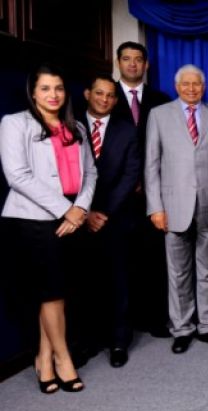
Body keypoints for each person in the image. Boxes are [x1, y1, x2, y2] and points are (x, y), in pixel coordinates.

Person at [0, 63, 97, 393]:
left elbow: (91, 174)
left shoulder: (77, 127)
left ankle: (43, 357)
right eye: (45, 88)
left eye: (58, 88)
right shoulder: (15, 123)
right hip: (31, 220)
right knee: (50, 293)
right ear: (32, 92)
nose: (53, 95)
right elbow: (17, 175)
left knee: (57, 294)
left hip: (72, 217)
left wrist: (80, 209)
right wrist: (66, 210)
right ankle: (63, 359)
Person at [144, 64, 208, 354]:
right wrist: (155, 207)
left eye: (197, 85)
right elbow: (151, 165)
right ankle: (181, 328)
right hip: (172, 206)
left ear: (203, 87)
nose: (192, 89)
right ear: (176, 86)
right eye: (186, 84)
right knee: (178, 272)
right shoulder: (159, 115)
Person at [111, 41, 172, 339]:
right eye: (127, 59)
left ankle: (155, 318)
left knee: (154, 259)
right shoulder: (105, 96)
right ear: (118, 62)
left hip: (153, 193)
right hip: (115, 196)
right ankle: (123, 322)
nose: (132, 64)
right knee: (120, 260)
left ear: (146, 65)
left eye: (138, 60)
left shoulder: (161, 99)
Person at [79, 74, 140, 368]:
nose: (105, 99)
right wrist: (84, 213)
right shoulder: (71, 126)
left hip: (116, 219)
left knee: (119, 282)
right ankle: (88, 341)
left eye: (111, 96)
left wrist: (104, 213)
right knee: (85, 282)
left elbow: (131, 175)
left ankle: (119, 341)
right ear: (87, 93)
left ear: (116, 100)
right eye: (99, 93)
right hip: (77, 219)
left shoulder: (127, 130)